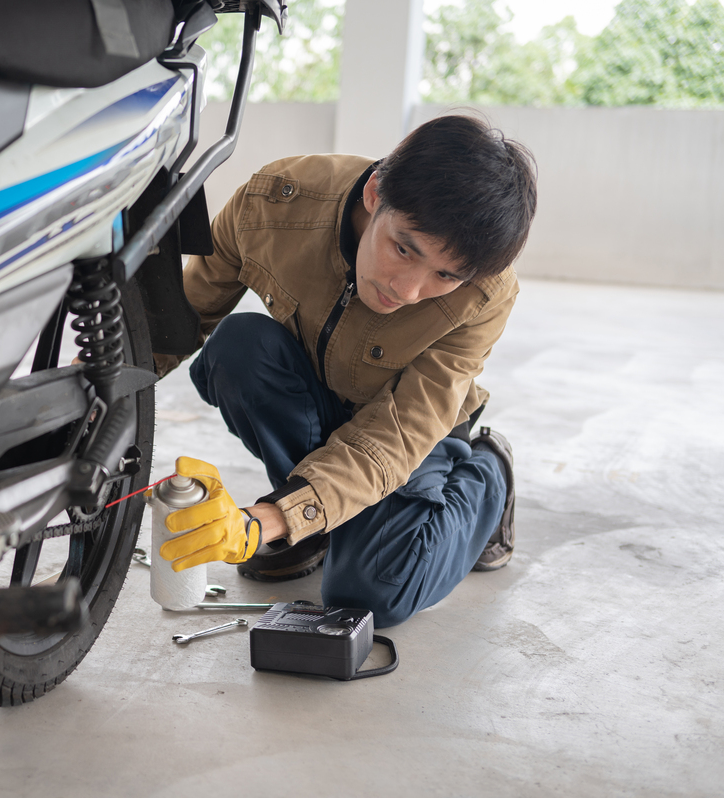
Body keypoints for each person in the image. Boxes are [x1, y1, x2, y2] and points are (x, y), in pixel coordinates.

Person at [155, 114, 537, 627]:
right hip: (316, 396)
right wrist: (88, 399)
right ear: (376, 193)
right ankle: (310, 525)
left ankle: (487, 472)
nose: (408, 289)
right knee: (238, 349)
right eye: (404, 248)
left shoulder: (487, 294)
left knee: (371, 593)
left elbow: (392, 441)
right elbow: (176, 320)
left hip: (405, 432)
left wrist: (267, 519)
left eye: (445, 276)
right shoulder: (276, 204)